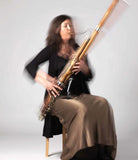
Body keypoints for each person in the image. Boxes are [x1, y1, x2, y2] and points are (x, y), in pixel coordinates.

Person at [25, 15, 117, 160]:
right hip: (57, 99)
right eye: (66, 26)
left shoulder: (78, 50)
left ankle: (101, 151)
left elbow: (89, 76)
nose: (70, 28)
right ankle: (75, 154)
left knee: (103, 104)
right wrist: (47, 82)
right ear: (57, 30)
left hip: (78, 95)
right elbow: (30, 67)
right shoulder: (51, 50)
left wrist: (84, 67)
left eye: (71, 26)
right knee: (80, 109)